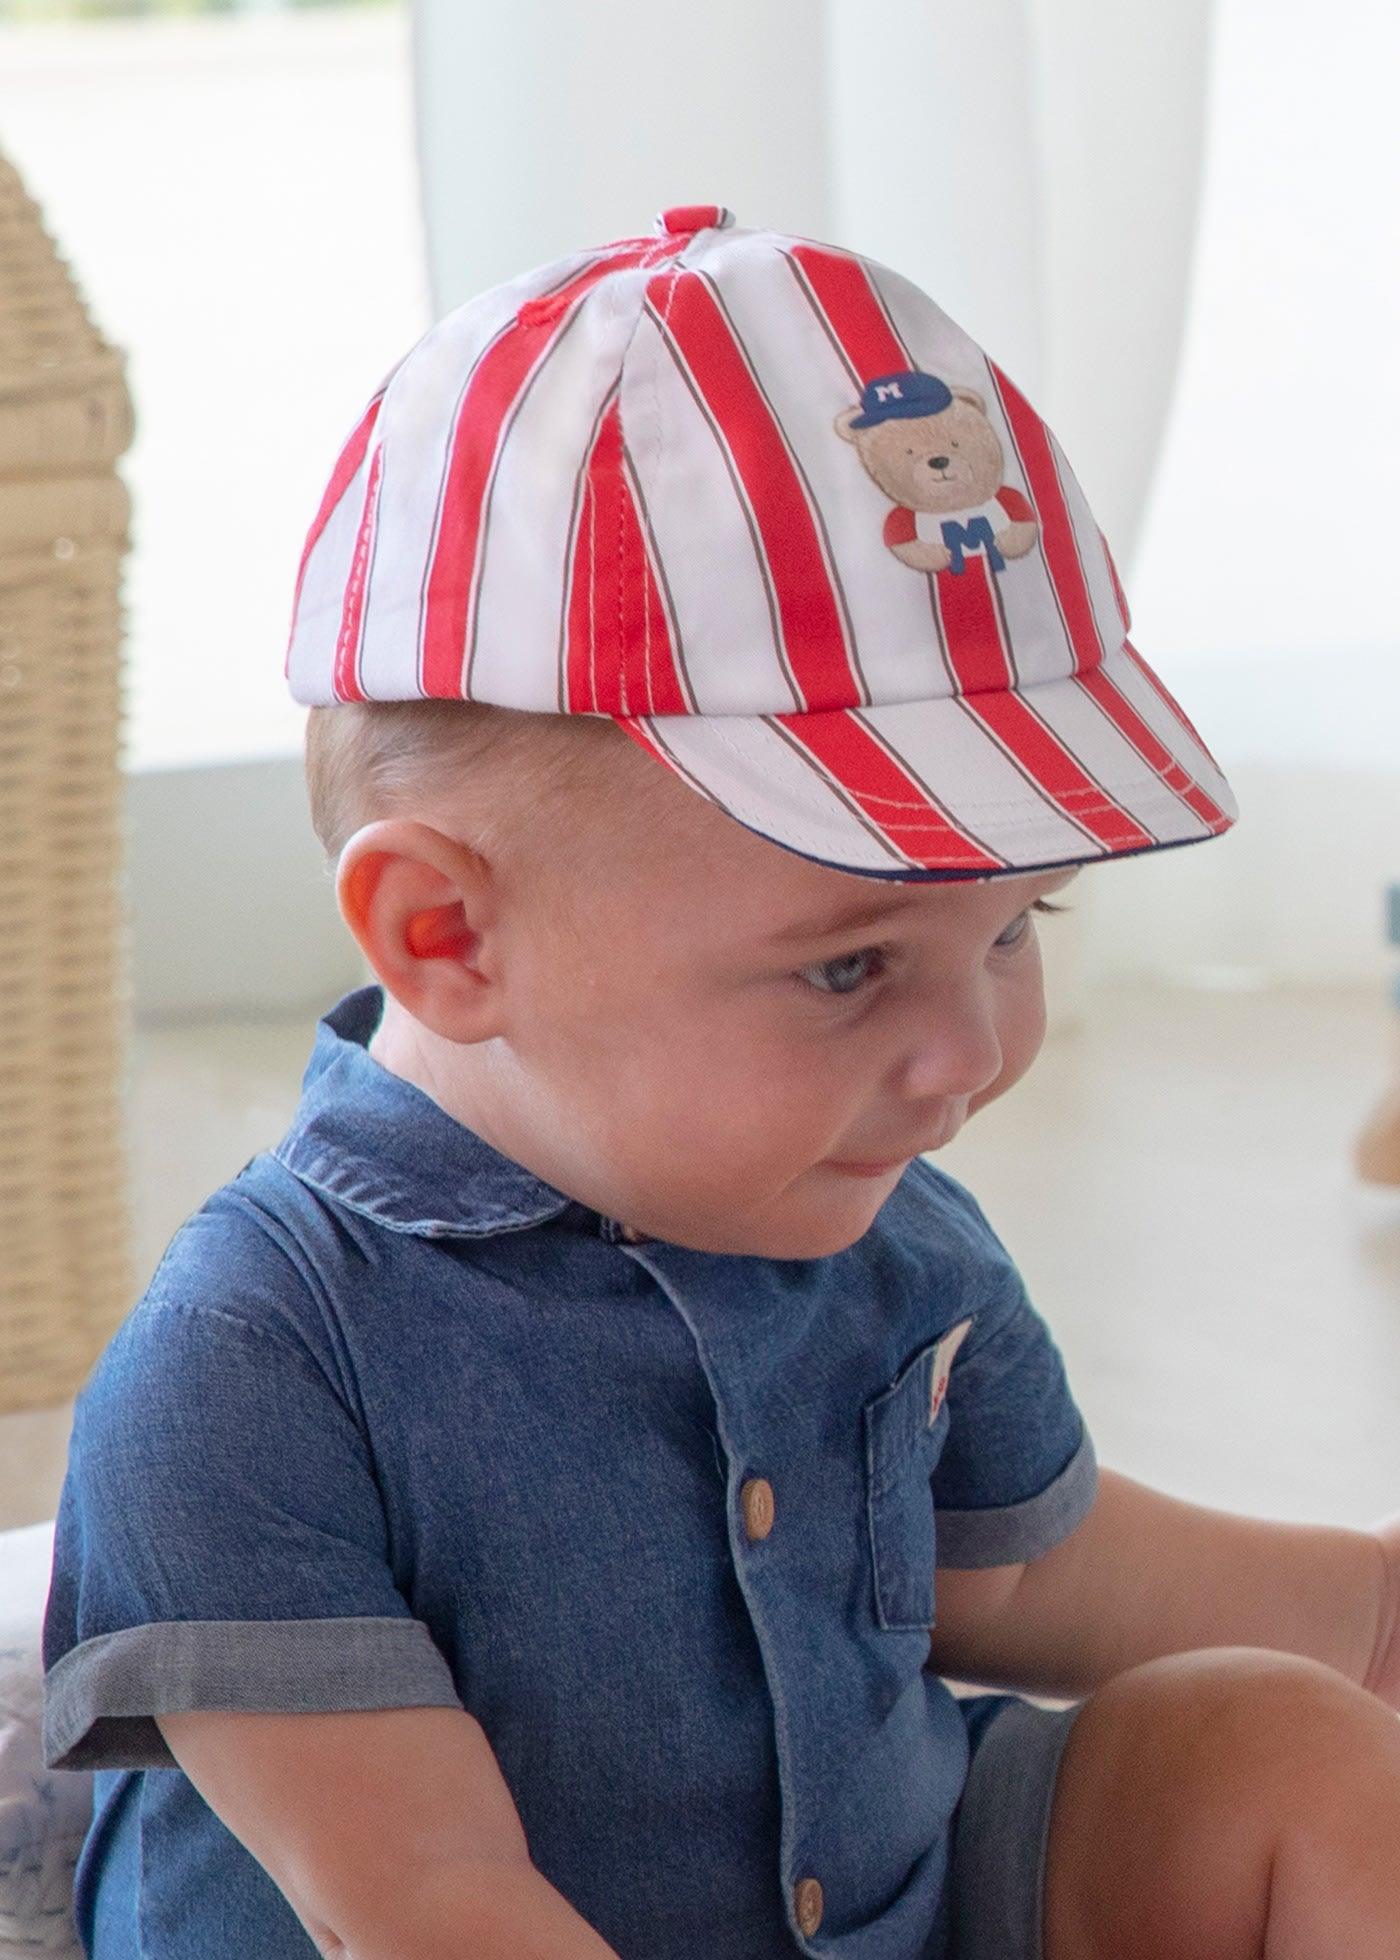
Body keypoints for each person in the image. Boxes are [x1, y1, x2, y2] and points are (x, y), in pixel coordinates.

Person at [40, 204, 1400, 1960]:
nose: (970, 1055)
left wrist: (1368, 1610)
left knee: (1280, 1748)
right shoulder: (254, 1360)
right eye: (849, 966)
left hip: (895, 1904)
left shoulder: (879, 1219)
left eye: (1015, 927)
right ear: (447, 934)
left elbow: (1021, 1571)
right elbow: (427, 1898)